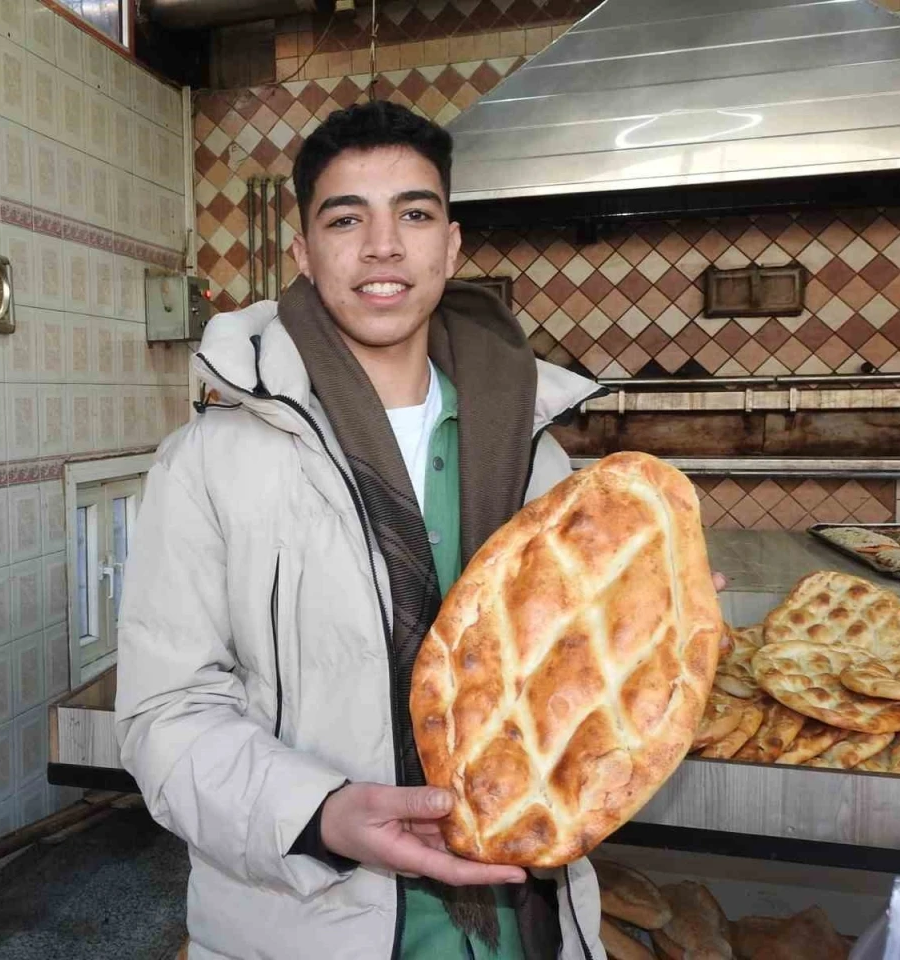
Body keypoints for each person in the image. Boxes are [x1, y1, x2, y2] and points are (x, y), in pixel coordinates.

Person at [115, 100, 613, 959]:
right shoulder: (205, 465)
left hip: (524, 925)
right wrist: (320, 813)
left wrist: (639, 639)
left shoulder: (534, 457)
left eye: (414, 214)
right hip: (308, 919)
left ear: (451, 245)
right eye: (347, 218)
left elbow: (565, 699)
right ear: (304, 254)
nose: (383, 246)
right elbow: (166, 714)